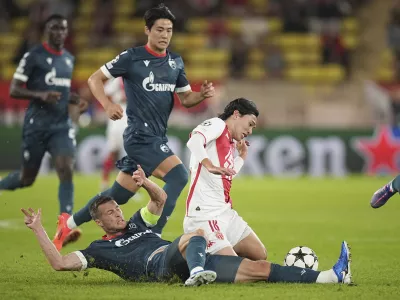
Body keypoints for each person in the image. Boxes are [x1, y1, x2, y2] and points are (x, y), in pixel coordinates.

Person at [53, 4, 215, 250]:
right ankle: (153, 234)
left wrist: (201, 95)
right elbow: (94, 78)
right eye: (159, 29)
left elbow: (186, 99)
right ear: (147, 30)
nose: (165, 35)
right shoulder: (132, 57)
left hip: (156, 136)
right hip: (140, 136)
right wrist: (107, 104)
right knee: (179, 175)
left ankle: (68, 223)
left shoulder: (175, 63)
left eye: (169, 30)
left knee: (119, 194)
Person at [22, 164, 352, 286]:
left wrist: (146, 182)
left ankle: (330, 276)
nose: (118, 214)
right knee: (194, 234)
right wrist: (38, 229)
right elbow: (59, 263)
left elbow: (159, 202)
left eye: (118, 208)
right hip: (160, 266)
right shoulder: (99, 249)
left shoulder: (137, 223)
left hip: (183, 258)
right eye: (110, 213)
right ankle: (197, 273)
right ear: (98, 221)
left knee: (258, 268)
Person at [0, 14, 84, 245]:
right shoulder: (34, 56)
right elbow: (15, 89)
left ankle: (65, 224)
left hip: (61, 126)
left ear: (66, 32)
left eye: (63, 28)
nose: (59, 32)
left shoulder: (68, 58)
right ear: (46, 31)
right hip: (36, 126)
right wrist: (40, 95)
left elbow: (63, 92)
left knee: (65, 168)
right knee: (27, 179)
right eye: (54, 28)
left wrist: (76, 100)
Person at [184, 98, 266, 260]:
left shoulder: (229, 141)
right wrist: (208, 164)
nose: (250, 131)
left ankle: (210, 255)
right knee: (236, 266)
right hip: (205, 214)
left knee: (259, 254)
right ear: (236, 114)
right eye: (250, 124)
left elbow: (227, 174)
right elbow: (194, 140)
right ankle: (195, 256)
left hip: (224, 212)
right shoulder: (218, 124)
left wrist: (242, 156)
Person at [101, 77, 128, 191]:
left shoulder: (137, 76)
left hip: (130, 119)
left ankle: (130, 186)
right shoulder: (118, 79)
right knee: (113, 151)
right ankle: (105, 181)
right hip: (117, 121)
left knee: (131, 155)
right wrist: (117, 100)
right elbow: (105, 93)